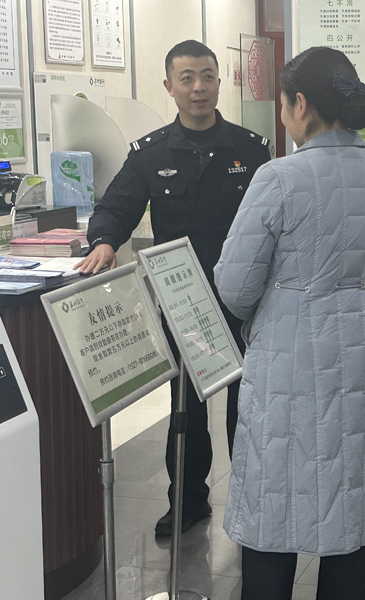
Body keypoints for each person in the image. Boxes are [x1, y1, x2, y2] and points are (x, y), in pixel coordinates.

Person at [213, 47, 365, 600]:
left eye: (283, 104)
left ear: (300, 104)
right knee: (355, 504)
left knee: (274, 505)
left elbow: (235, 287)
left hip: (290, 370)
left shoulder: (278, 178)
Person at [77, 40, 272, 536]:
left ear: (218, 82)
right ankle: (187, 501)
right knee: (185, 407)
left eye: (206, 76)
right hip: (182, 301)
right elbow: (116, 207)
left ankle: (252, 499)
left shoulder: (251, 150)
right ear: (169, 86)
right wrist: (104, 242)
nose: (198, 87)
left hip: (244, 299)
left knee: (247, 406)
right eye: (187, 78)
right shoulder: (151, 153)